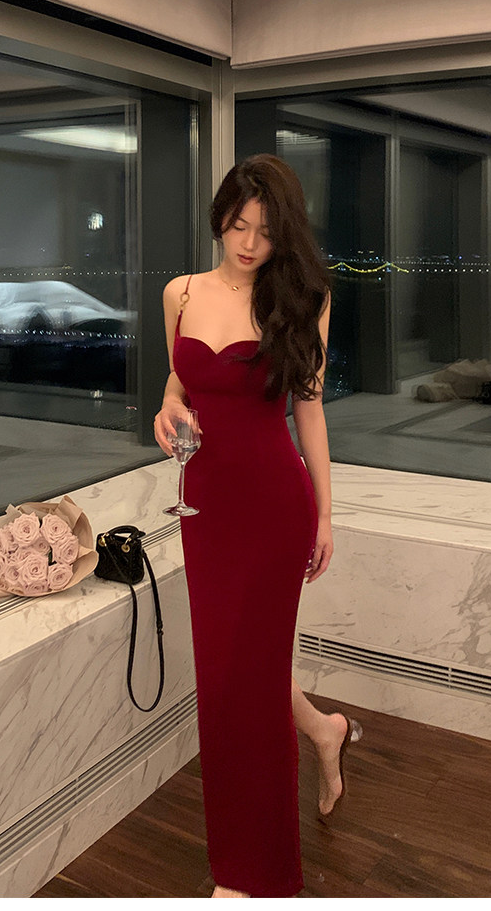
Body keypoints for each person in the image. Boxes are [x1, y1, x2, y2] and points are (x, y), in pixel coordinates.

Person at [154, 154, 362, 898]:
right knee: (228, 674)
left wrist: (326, 514)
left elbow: (310, 408)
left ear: (284, 234)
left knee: (245, 674)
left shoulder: (303, 298)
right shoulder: (180, 292)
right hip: (206, 508)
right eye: (239, 225)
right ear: (220, 218)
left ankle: (254, 874)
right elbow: (182, 380)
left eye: (266, 232)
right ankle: (325, 731)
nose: (248, 244)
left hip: (275, 507)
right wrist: (166, 407)